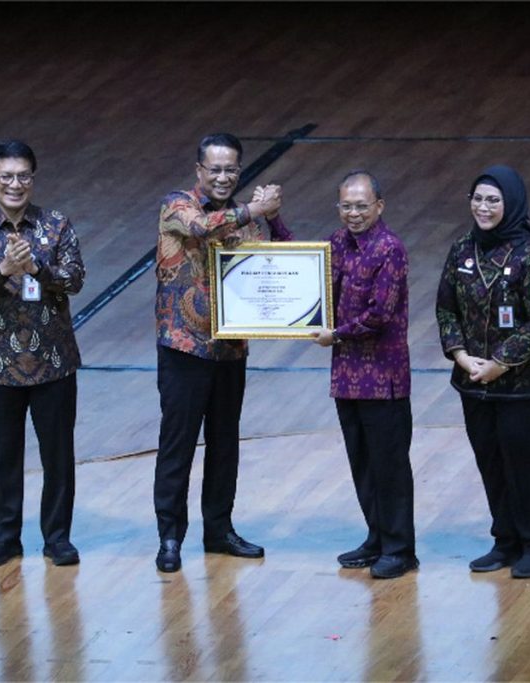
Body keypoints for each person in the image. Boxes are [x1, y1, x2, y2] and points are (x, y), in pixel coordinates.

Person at [153, 132, 292, 573]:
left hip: (231, 350)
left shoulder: (245, 220)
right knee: (178, 445)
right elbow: (198, 228)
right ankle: (170, 536)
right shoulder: (177, 205)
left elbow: (280, 264)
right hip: (184, 349)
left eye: (231, 169)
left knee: (225, 444)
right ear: (199, 171)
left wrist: (274, 219)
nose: (223, 176)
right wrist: (254, 209)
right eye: (215, 169)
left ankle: (219, 529)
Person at [0, 140, 85, 568]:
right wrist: (3, 271)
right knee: (2, 456)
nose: (16, 184)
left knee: (58, 455)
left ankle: (57, 537)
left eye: (24, 176)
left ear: (34, 178)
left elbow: (74, 280)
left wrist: (36, 269)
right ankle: (6, 534)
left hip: (53, 362)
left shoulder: (56, 226)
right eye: (7, 177)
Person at [435, 164, 530, 579]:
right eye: (477, 198)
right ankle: (505, 541)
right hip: (475, 382)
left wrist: (500, 363)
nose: (484, 207)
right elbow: (445, 307)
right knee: (491, 461)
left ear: (510, 204)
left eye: (493, 200)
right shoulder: (461, 250)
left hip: (529, 385)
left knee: (525, 461)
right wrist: (459, 354)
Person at [311, 170, 417, 579]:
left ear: (379, 206)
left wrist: (335, 333)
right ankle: (377, 537)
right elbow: (304, 269)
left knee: (389, 466)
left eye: (361, 206)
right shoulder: (338, 243)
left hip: (383, 378)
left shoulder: (390, 249)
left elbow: (380, 313)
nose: (353, 213)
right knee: (362, 463)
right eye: (346, 206)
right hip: (347, 376)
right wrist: (274, 221)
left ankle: (400, 547)